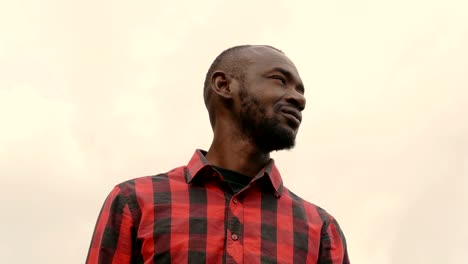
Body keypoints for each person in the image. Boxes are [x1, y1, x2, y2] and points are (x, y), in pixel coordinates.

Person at [86, 45, 350, 263]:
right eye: (280, 81)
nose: (299, 100)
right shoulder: (136, 203)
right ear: (224, 85)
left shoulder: (321, 230)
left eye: (301, 91)